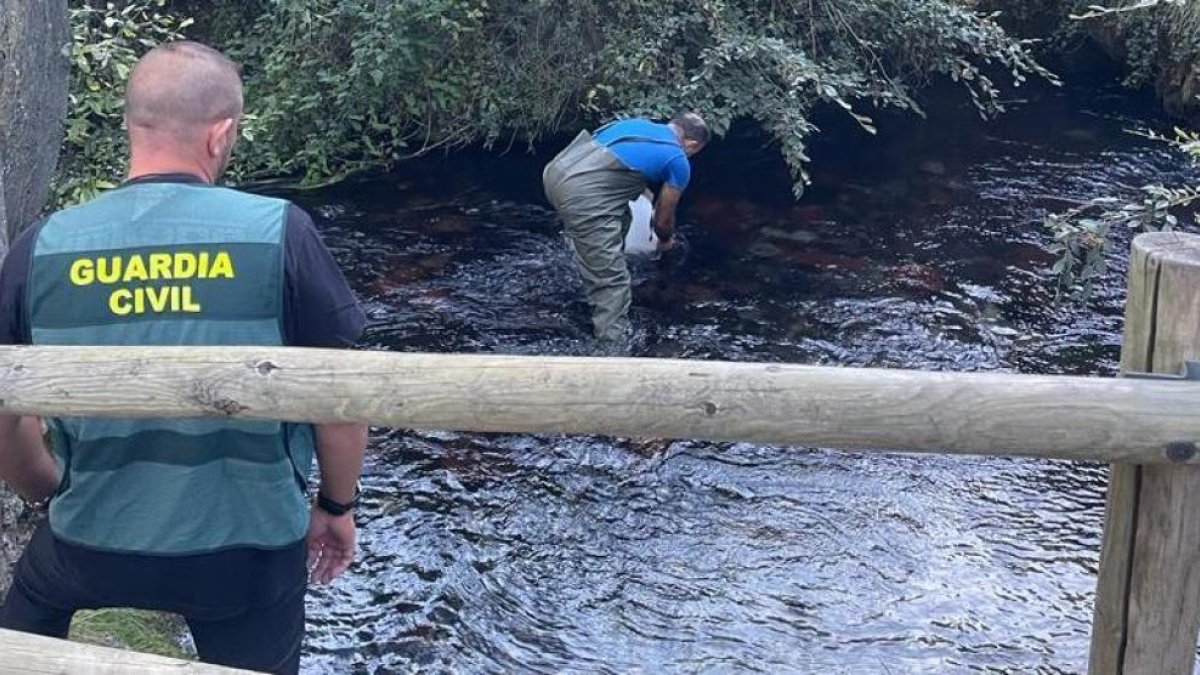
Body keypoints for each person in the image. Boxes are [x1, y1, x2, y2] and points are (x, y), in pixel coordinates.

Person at [0, 41, 368, 675]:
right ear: (220, 134)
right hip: (246, 556)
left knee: (24, 622)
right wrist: (336, 509)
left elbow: (6, 409)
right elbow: (340, 398)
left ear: (131, 125)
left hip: (90, 544)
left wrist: (43, 487)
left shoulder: (46, 244)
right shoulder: (280, 230)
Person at [543, 112, 708, 347]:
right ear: (691, 144)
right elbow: (662, 220)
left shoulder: (637, 125)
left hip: (555, 173)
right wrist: (665, 241)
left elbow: (616, 167)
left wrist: (644, 192)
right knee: (614, 283)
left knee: (622, 217)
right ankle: (612, 351)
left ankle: (591, 265)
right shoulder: (677, 160)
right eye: (693, 152)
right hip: (580, 194)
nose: (690, 156)